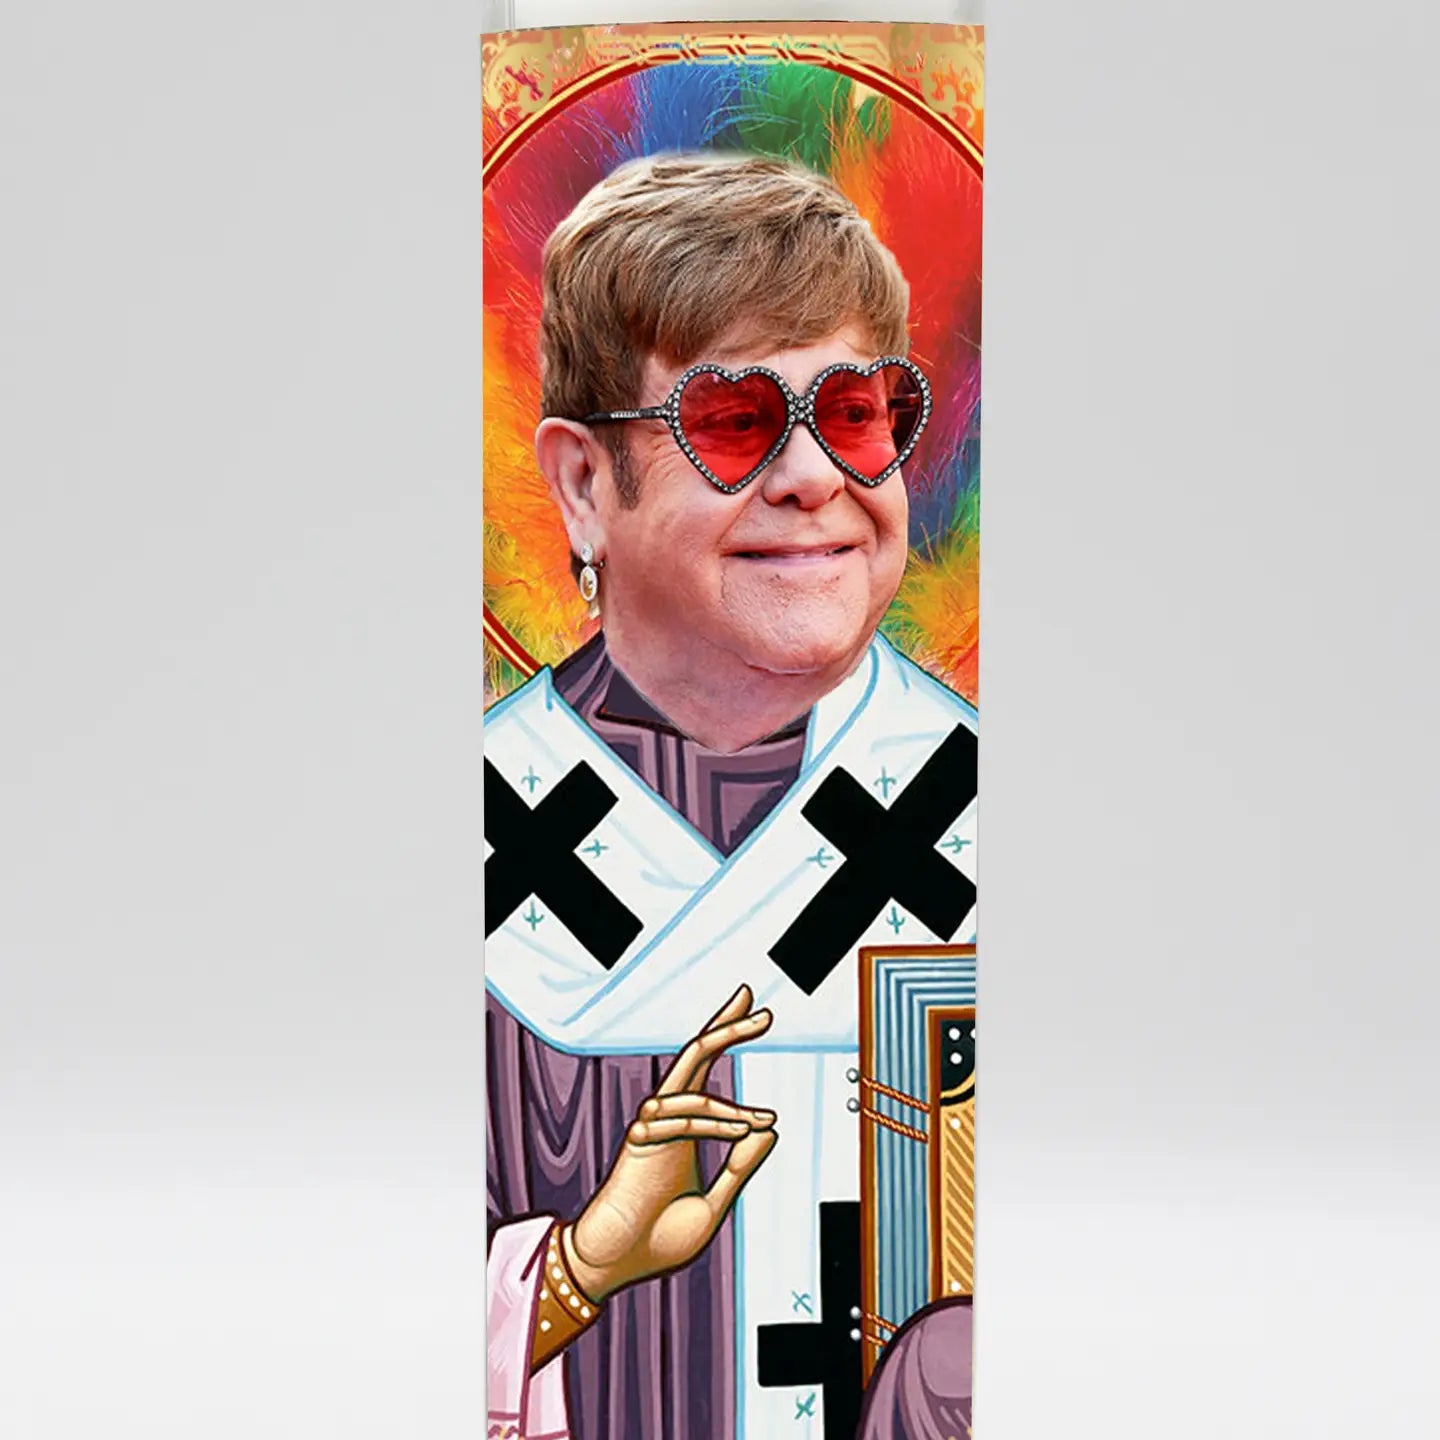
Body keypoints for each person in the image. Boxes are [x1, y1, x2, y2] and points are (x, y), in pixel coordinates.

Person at [485, 152, 979, 1440]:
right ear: (584, 484)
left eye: (858, 413)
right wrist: (576, 1272)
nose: (817, 477)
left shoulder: (981, 812)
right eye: (736, 421)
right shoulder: (483, 831)